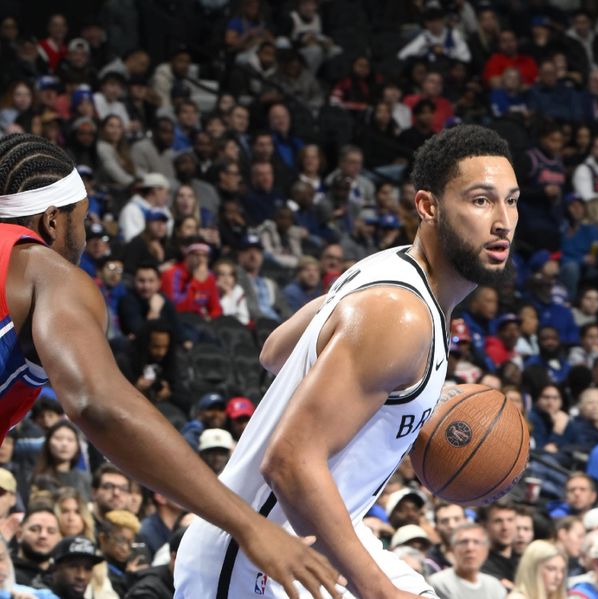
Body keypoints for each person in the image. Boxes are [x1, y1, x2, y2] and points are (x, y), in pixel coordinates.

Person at [175, 124, 519, 598]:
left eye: (512, 200)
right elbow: (290, 463)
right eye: (481, 200)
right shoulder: (399, 315)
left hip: (315, 536)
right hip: (253, 556)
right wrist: (377, 591)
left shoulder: (385, 269)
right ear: (428, 206)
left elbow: (274, 352)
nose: (503, 220)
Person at [0, 134, 338, 598]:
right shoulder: (46, 271)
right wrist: (248, 525)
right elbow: (97, 404)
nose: (83, 236)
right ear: (52, 221)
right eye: (82, 219)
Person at [428, 524, 507, 599]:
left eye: (476, 542)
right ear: (452, 549)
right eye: (464, 542)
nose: (470, 548)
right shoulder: (438, 584)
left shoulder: (495, 586)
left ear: (486, 550)